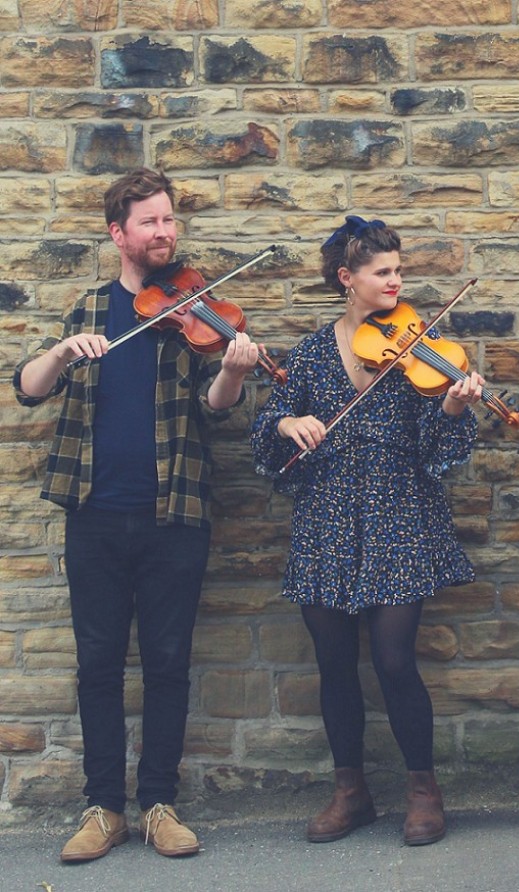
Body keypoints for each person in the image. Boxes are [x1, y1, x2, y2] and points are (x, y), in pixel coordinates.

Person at [13, 168, 260, 861]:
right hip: (93, 514)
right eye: (150, 222)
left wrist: (235, 369)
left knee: (169, 663)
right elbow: (28, 388)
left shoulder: (197, 312)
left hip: (173, 514)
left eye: (170, 220)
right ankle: (103, 809)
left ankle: (159, 803)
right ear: (117, 233)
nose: (165, 232)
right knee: (97, 665)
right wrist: (63, 350)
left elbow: (217, 408)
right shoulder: (91, 311)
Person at [251, 215, 484, 847]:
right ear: (346, 279)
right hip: (326, 519)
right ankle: (349, 793)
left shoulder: (419, 349)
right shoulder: (309, 353)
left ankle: (422, 790)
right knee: (333, 665)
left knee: (393, 660)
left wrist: (454, 404)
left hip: (398, 515)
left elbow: (436, 455)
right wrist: (286, 425)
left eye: (398, 270)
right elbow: (267, 429)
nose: (396, 281)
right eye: (383, 272)